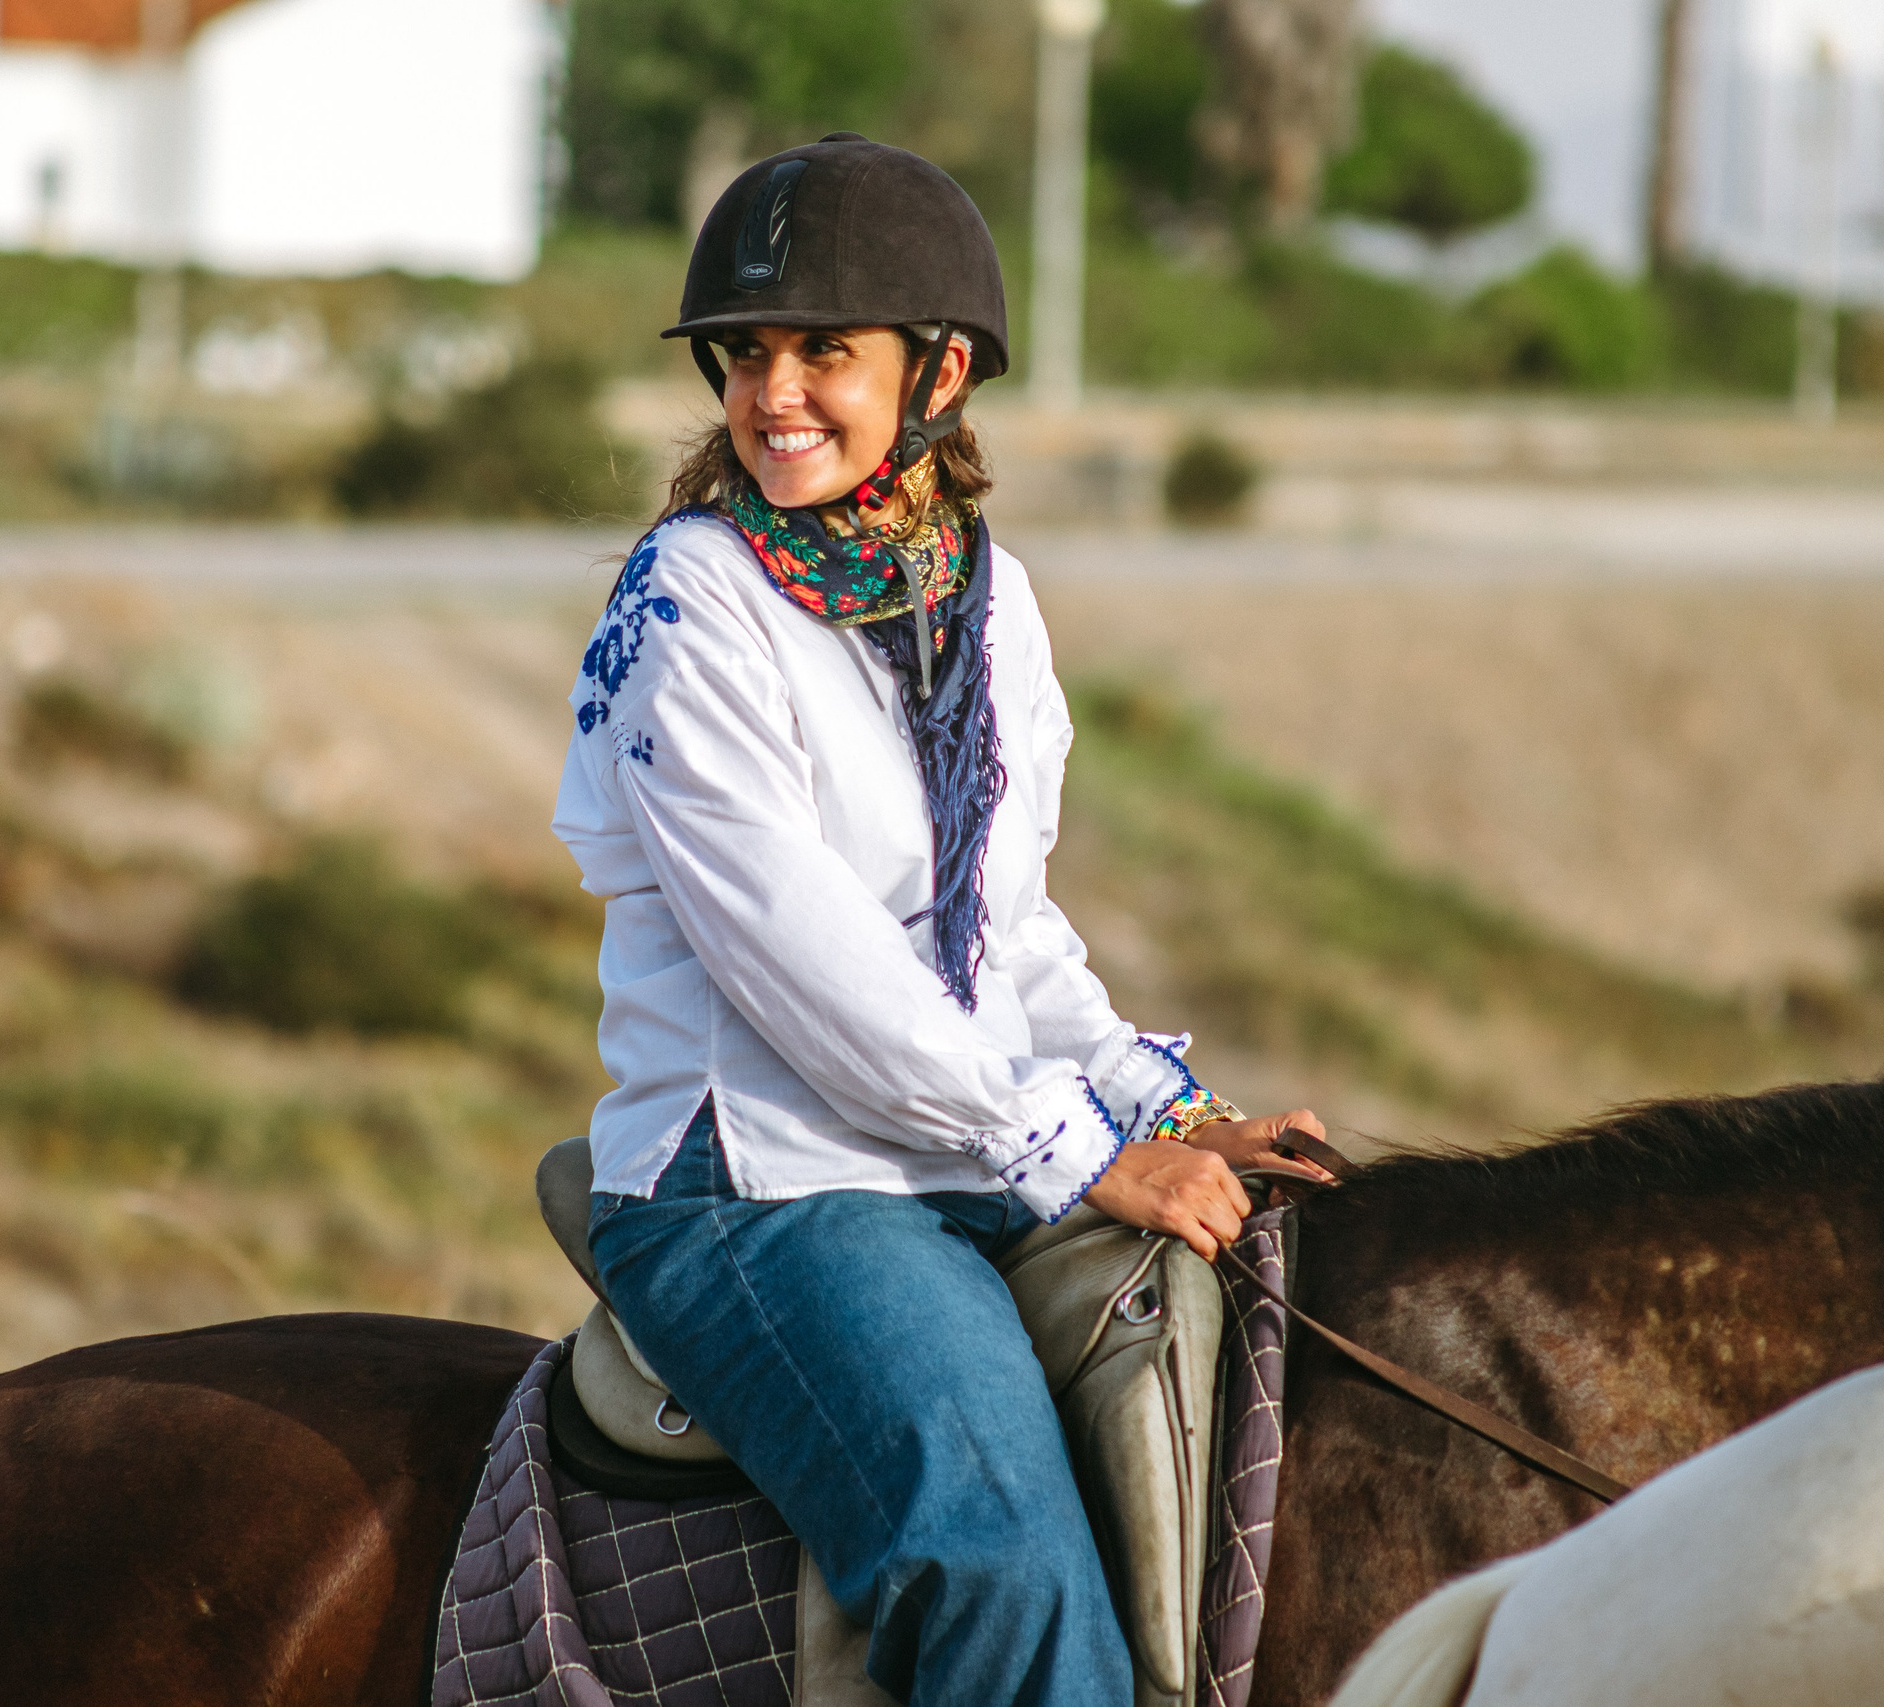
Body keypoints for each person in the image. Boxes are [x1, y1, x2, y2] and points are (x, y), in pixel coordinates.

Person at [552, 133, 1333, 1707]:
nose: (773, 395)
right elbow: (810, 964)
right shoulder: (690, 600)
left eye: (821, 353)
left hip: (952, 1149)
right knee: (1006, 1568)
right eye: (746, 355)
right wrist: (1078, 1156)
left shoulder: (988, 597)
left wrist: (1169, 1110)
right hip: (762, 1186)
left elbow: (1000, 935)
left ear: (941, 370)